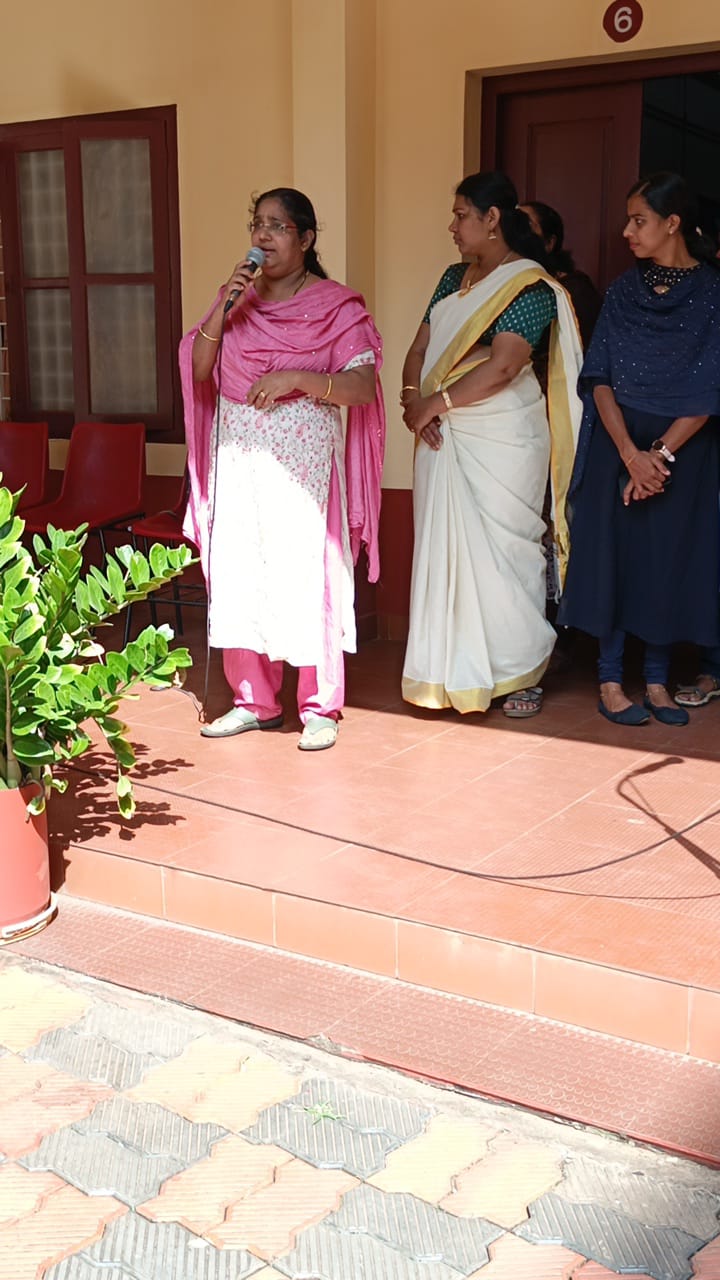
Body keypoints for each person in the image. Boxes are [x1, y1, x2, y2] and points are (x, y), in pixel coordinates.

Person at [180, 187, 385, 752]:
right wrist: (226, 305)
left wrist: (297, 378)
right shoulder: (236, 299)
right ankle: (254, 701)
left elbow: (361, 386)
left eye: (277, 226)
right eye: (257, 224)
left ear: (306, 238)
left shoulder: (336, 306)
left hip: (304, 468)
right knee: (243, 571)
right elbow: (200, 368)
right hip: (240, 461)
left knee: (307, 574)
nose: (263, 236)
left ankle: (320, 706)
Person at [400, 171, 583, 718]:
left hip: (501, 437)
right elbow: (419, 349)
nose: (452, 226)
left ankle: (521, 669)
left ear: (492, 218)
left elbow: (504, 365)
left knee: (507, 554)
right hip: (440, 433)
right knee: (443, 551)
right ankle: (445, 669)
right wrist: (413, 402)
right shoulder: (451, 278)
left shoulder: (530, 286)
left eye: (461, 215)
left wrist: (435, 404)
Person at [559, 172, 720, 726]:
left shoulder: (713, 294)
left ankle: (655, 680)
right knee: (613, 554)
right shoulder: (624, 291)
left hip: (684, 452)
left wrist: (660, 457)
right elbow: (599, 375)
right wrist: (631, 455)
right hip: (618, 443)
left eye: (638, 220)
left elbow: (711, 388)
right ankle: (609, 680)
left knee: (666, 556)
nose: (627, 232)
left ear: (672, 223)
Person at [520, 201, 602, 349]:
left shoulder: (574, 290)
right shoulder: (499, 282)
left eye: (524, 226)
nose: (514, 235)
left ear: (549, 243)